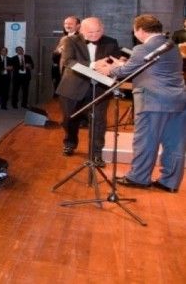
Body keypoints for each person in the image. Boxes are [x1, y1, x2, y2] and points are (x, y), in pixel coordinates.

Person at [97, 15, 186, 191]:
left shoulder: (142, 48)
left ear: (140, 30)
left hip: (153, 101)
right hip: (178, 100)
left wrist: (108, 69)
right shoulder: (172, 46)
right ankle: (169, 182)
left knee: (146, 141)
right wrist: (124, 64)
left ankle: (139, 178)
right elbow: (152, 67)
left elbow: (123, 72)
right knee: (175, 143)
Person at [55, 17, 119, 164]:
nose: (95, 35)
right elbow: (68, 61)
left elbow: (114, 61)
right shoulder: (69, 40)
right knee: (69, 119)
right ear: (81, 30)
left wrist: (114, 66)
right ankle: (70, 142)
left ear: (103, 29)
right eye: (90, 32)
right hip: (73, 87)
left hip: (100, 88)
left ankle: (96, 154)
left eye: (98, 31)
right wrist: (94, 65)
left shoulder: (111, 42)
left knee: (99, 121)